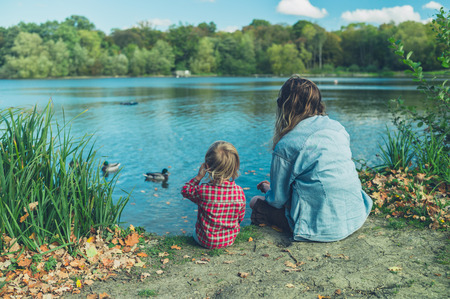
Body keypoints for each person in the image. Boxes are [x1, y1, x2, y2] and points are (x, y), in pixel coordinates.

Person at [250, 76, 372, 242]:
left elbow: (277, 201)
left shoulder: (287, 144)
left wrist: (267, 190)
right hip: (355, 215)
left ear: (284, 106)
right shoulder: (338, 128)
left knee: (254, 201)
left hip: (321, 228)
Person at [181, 141, 246, 249]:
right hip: (229, 240)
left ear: (207, 166)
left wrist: (198, 177)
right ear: (235, 166)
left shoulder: (203, 190)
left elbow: (185, 191)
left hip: (204, 241)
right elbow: (240, 218)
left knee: (195, 231)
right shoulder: (239, 192)